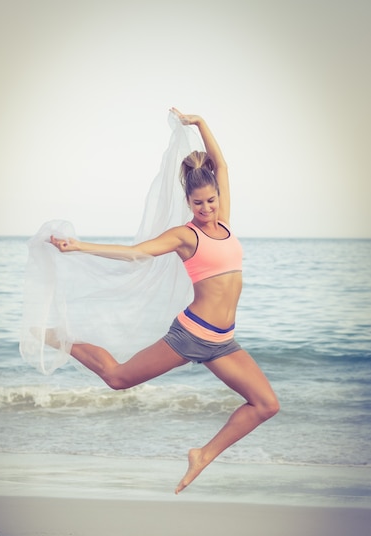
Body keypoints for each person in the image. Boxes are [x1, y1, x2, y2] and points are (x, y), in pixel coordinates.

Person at [49, 107, 279, 494]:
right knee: (118, 378)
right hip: (191, 334)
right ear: (188, 202)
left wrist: (201, 123)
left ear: (218, 197)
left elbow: (221, 163)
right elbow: (136, 253)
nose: (207, 209)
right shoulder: (185, 235)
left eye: (211, 201)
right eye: (198, 204)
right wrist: (78, 247)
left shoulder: (225, 223)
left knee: (266, 404)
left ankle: (202, 455)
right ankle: (61, 339)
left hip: (223, 341)